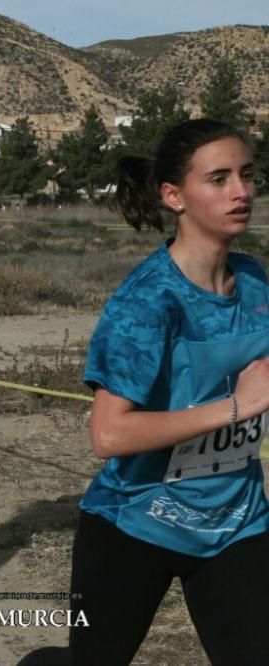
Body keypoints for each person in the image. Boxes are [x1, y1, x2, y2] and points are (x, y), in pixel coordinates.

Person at [22, 119, 269, 665]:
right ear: (173, 195)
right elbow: (109, 434)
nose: (241, 192)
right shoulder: (147, 302)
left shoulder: (255, 282)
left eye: (247, 175)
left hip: (237, 522)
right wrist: (237, 407)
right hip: (136, 523)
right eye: (219, 178)